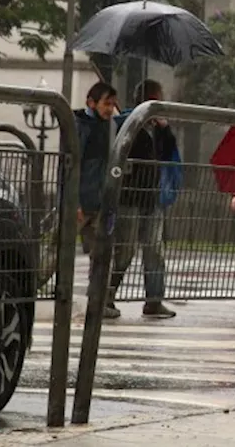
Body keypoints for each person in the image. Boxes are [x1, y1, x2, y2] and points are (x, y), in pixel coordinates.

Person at [106, 80, 179, 320]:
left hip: (151, 195)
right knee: (124, 249)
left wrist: (165, 128)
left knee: (154, 249)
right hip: (130, 196)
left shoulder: (158, 128)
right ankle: (108, 295)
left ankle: (154, 299)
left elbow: (168, 152)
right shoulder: (129, 123)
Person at [76, 81, 118, 313]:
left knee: (101, 256)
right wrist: (74, 202)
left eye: (112, 104)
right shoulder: (81, 126)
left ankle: (97, 302)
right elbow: (72, 166)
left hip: (101, 202)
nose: (109, 108)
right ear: (91, 103)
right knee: (56, 253)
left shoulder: (108, 127)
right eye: (106, 103)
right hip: (82, 201)